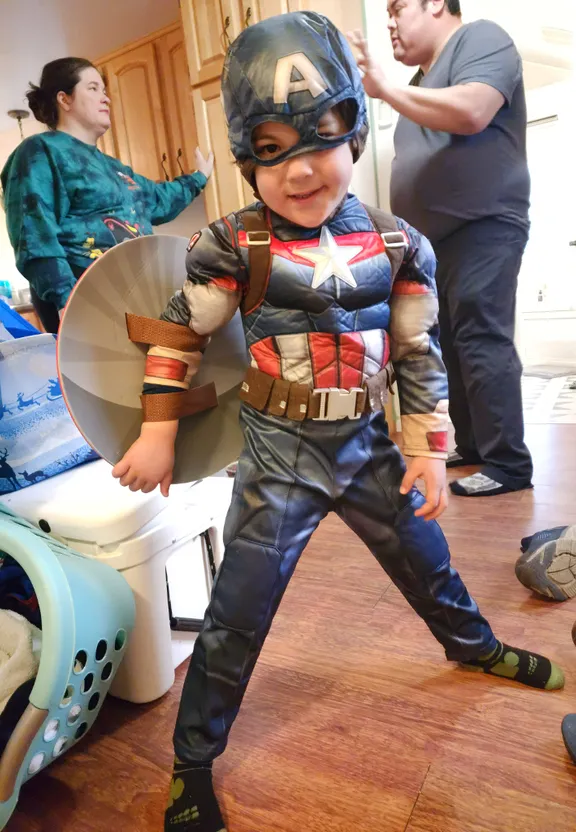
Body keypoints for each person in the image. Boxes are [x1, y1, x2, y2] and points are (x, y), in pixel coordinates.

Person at [106, 14, 562, 832]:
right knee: (238, 611)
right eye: (271, 148)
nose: (300, 168)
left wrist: (427, 450)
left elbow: (419, 353)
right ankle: (191, 763)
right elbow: (179, 332)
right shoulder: (231, 244)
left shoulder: (398, 243)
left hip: (369, 447)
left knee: (429, 561)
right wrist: (158, 430)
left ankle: (473, 646)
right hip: (278, 457)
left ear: (355, 129)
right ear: (246, 158)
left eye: (321, 137)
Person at [350, 0, 533, 497]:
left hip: (483, 226)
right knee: (449, 344)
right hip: (434, 244)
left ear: (435, 4)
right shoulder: (417, 86)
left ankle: (509, 463)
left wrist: (383, 90)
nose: (389, 21)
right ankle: (474, 446)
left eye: (397, 7)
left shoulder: (481, 39)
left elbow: (474, 111)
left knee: (480, 338)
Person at [1, 57, 214, 333]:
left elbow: (158, 199)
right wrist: (66, 299)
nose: (106, 98)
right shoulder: (40, 151)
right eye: (93, 88)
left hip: (140, 299)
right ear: (64, 99)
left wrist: (199, 178)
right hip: (87, 303)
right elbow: (33, 231)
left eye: (104, 90)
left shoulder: (114, 168)